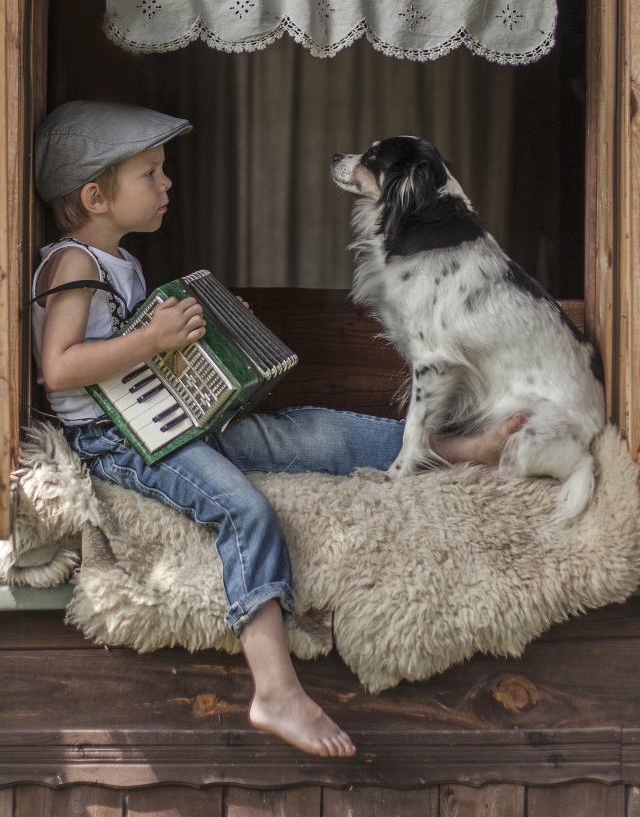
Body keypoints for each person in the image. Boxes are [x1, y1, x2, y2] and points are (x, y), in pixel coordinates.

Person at [31, 101, 524, 758]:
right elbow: (60, 367)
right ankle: (275, 689)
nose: (166, 182)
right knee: (245, 511)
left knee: (313, 434)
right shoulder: (74, 265)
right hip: (117, 443)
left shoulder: (114, 259)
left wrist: (204, 329)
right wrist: (153, 339)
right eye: (150, 173)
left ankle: (461, 449)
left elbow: (130, 357)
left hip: (162, 420)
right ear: (95, 197)